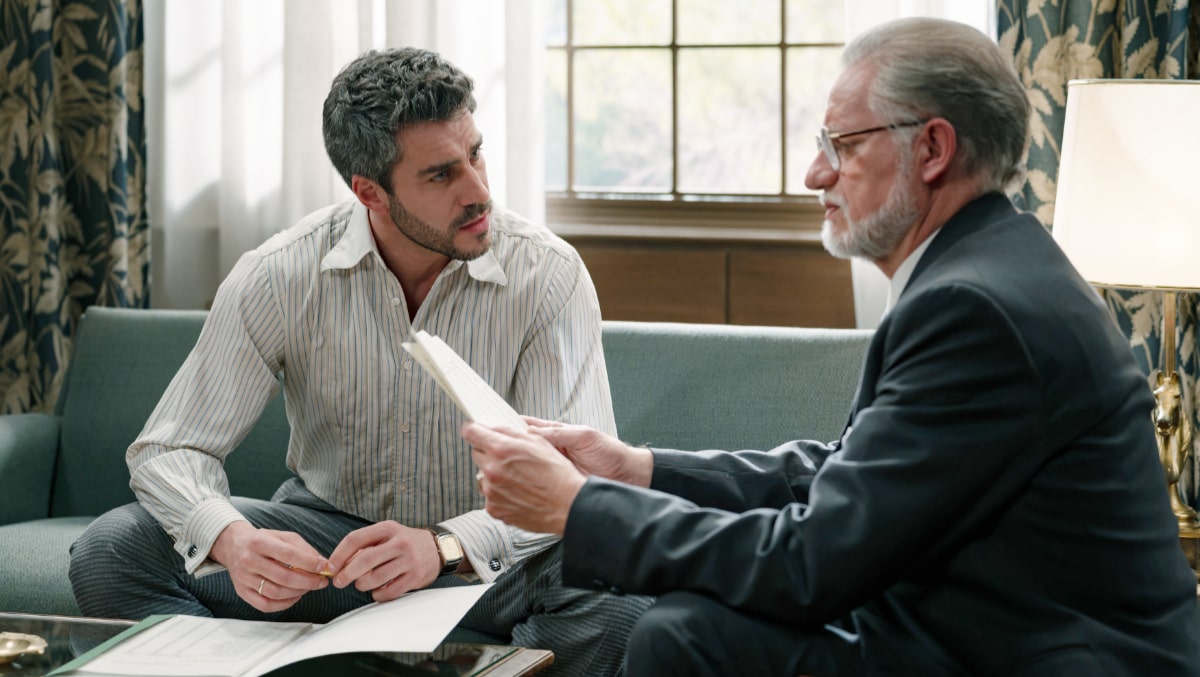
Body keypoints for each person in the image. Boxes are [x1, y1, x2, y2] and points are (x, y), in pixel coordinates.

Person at [461, 17, 1200, 677]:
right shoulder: (984, 267)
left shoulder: (972, 306)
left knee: (684, 636)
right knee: (686, 629)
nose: (815, 173)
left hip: (1034, 652)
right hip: (975, 627)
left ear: (932, 149)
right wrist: (638, 469)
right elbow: (844, 472)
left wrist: (580, 506)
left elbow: (814, 563)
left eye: (840, 145)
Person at [69, 47, 650, 676]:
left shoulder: (548, 274)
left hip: (491, 568)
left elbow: (572, 486)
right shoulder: (278, 276)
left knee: (622, 597)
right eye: (441, 175)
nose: (478, 190)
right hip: (332, 554)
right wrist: (232, 540)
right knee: (113, 548)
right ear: (368, 191)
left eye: (476, 154)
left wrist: (444, 545)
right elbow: (167, 450)